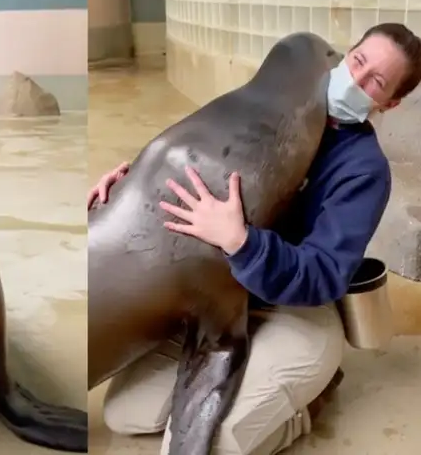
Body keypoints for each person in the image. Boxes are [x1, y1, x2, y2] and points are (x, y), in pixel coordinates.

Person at [91, 23, 421, 455]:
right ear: (346, 55)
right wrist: (122, 193)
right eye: (357, 62)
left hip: (297, 309)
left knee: (219, 444)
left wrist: (241, 242)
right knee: (125, 415)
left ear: (389, 103)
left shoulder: (363, 170)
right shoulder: (270, 110)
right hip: (223, 296)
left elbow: (323, 276)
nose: (356, 80)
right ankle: (246, 373)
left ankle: (308, 402)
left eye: (375, 82)